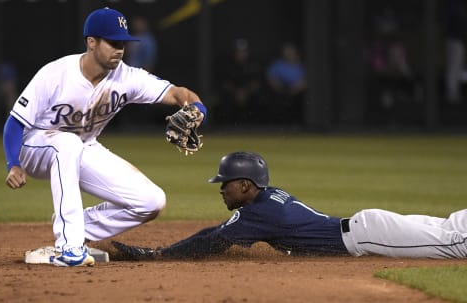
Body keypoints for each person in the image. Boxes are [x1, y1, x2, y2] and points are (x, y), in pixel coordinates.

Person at [2, 7, 207, 267]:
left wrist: (198, 110)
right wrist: (13, 164)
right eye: (112, 42)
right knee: (66, 143)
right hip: (35, 145)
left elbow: (178, 94)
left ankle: (76, 227)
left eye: (122, 42)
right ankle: (69, 248)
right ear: (91, 42)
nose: (119, 49)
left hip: (83, 146)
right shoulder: (56, 74)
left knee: (151, 202)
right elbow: (14, 123)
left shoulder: (127, 77)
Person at [113, 151, 467, 260]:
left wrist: (159, 255)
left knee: (453, 242)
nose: (221, 190)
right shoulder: (269, 196)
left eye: (226, 184)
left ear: (246, 186)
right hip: (366, 227)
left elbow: (210, 240)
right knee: (448, 226)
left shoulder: (262, 211)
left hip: (368, 235)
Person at [215, 38, 263, 124]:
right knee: (224, 102)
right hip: (232, 94)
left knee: (259, 100)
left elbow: (257, 82)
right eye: (238, 52)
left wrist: (246, 92)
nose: (241, 54)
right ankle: (227, 127)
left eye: (243, 52)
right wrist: (236, 92)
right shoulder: (227, 63)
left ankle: (256, 127)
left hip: (249, 94)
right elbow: (224, 83)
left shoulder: (254, 63)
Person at [265, 42, 307, 124]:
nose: (288, 53)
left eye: (290, 51)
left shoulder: (300, 65)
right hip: (280, 92)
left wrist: (294, 89)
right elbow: (271, 80)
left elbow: (305, 82)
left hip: (297, 93)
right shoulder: (277, 64)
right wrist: (282, 89)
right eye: (286, 51)